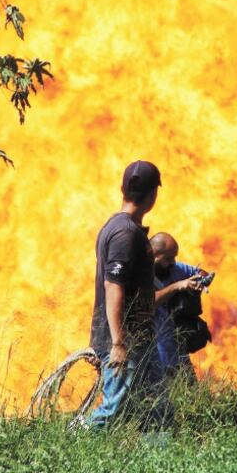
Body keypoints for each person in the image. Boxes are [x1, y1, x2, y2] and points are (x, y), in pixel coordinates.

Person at [86, 160, 170, 429]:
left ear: (123, 189)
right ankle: (74, 440)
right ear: (152, 195)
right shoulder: (125, 233)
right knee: (113, 410)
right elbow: (114, 286)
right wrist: (118, 343)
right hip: (125, 342)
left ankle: (160, 468)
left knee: (156, 408)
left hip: (139, 340)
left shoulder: (120, 227)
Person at [150, 232, 212, 380]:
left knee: (190, 398)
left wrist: (201, 280)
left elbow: (199, 273)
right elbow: (148, 303)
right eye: (168, 258)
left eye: (174, 257)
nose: (173, 262)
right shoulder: (140, 275)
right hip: (154, 360)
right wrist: (177, 286)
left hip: (179, 354)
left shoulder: (173, 268)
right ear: (153, 255)